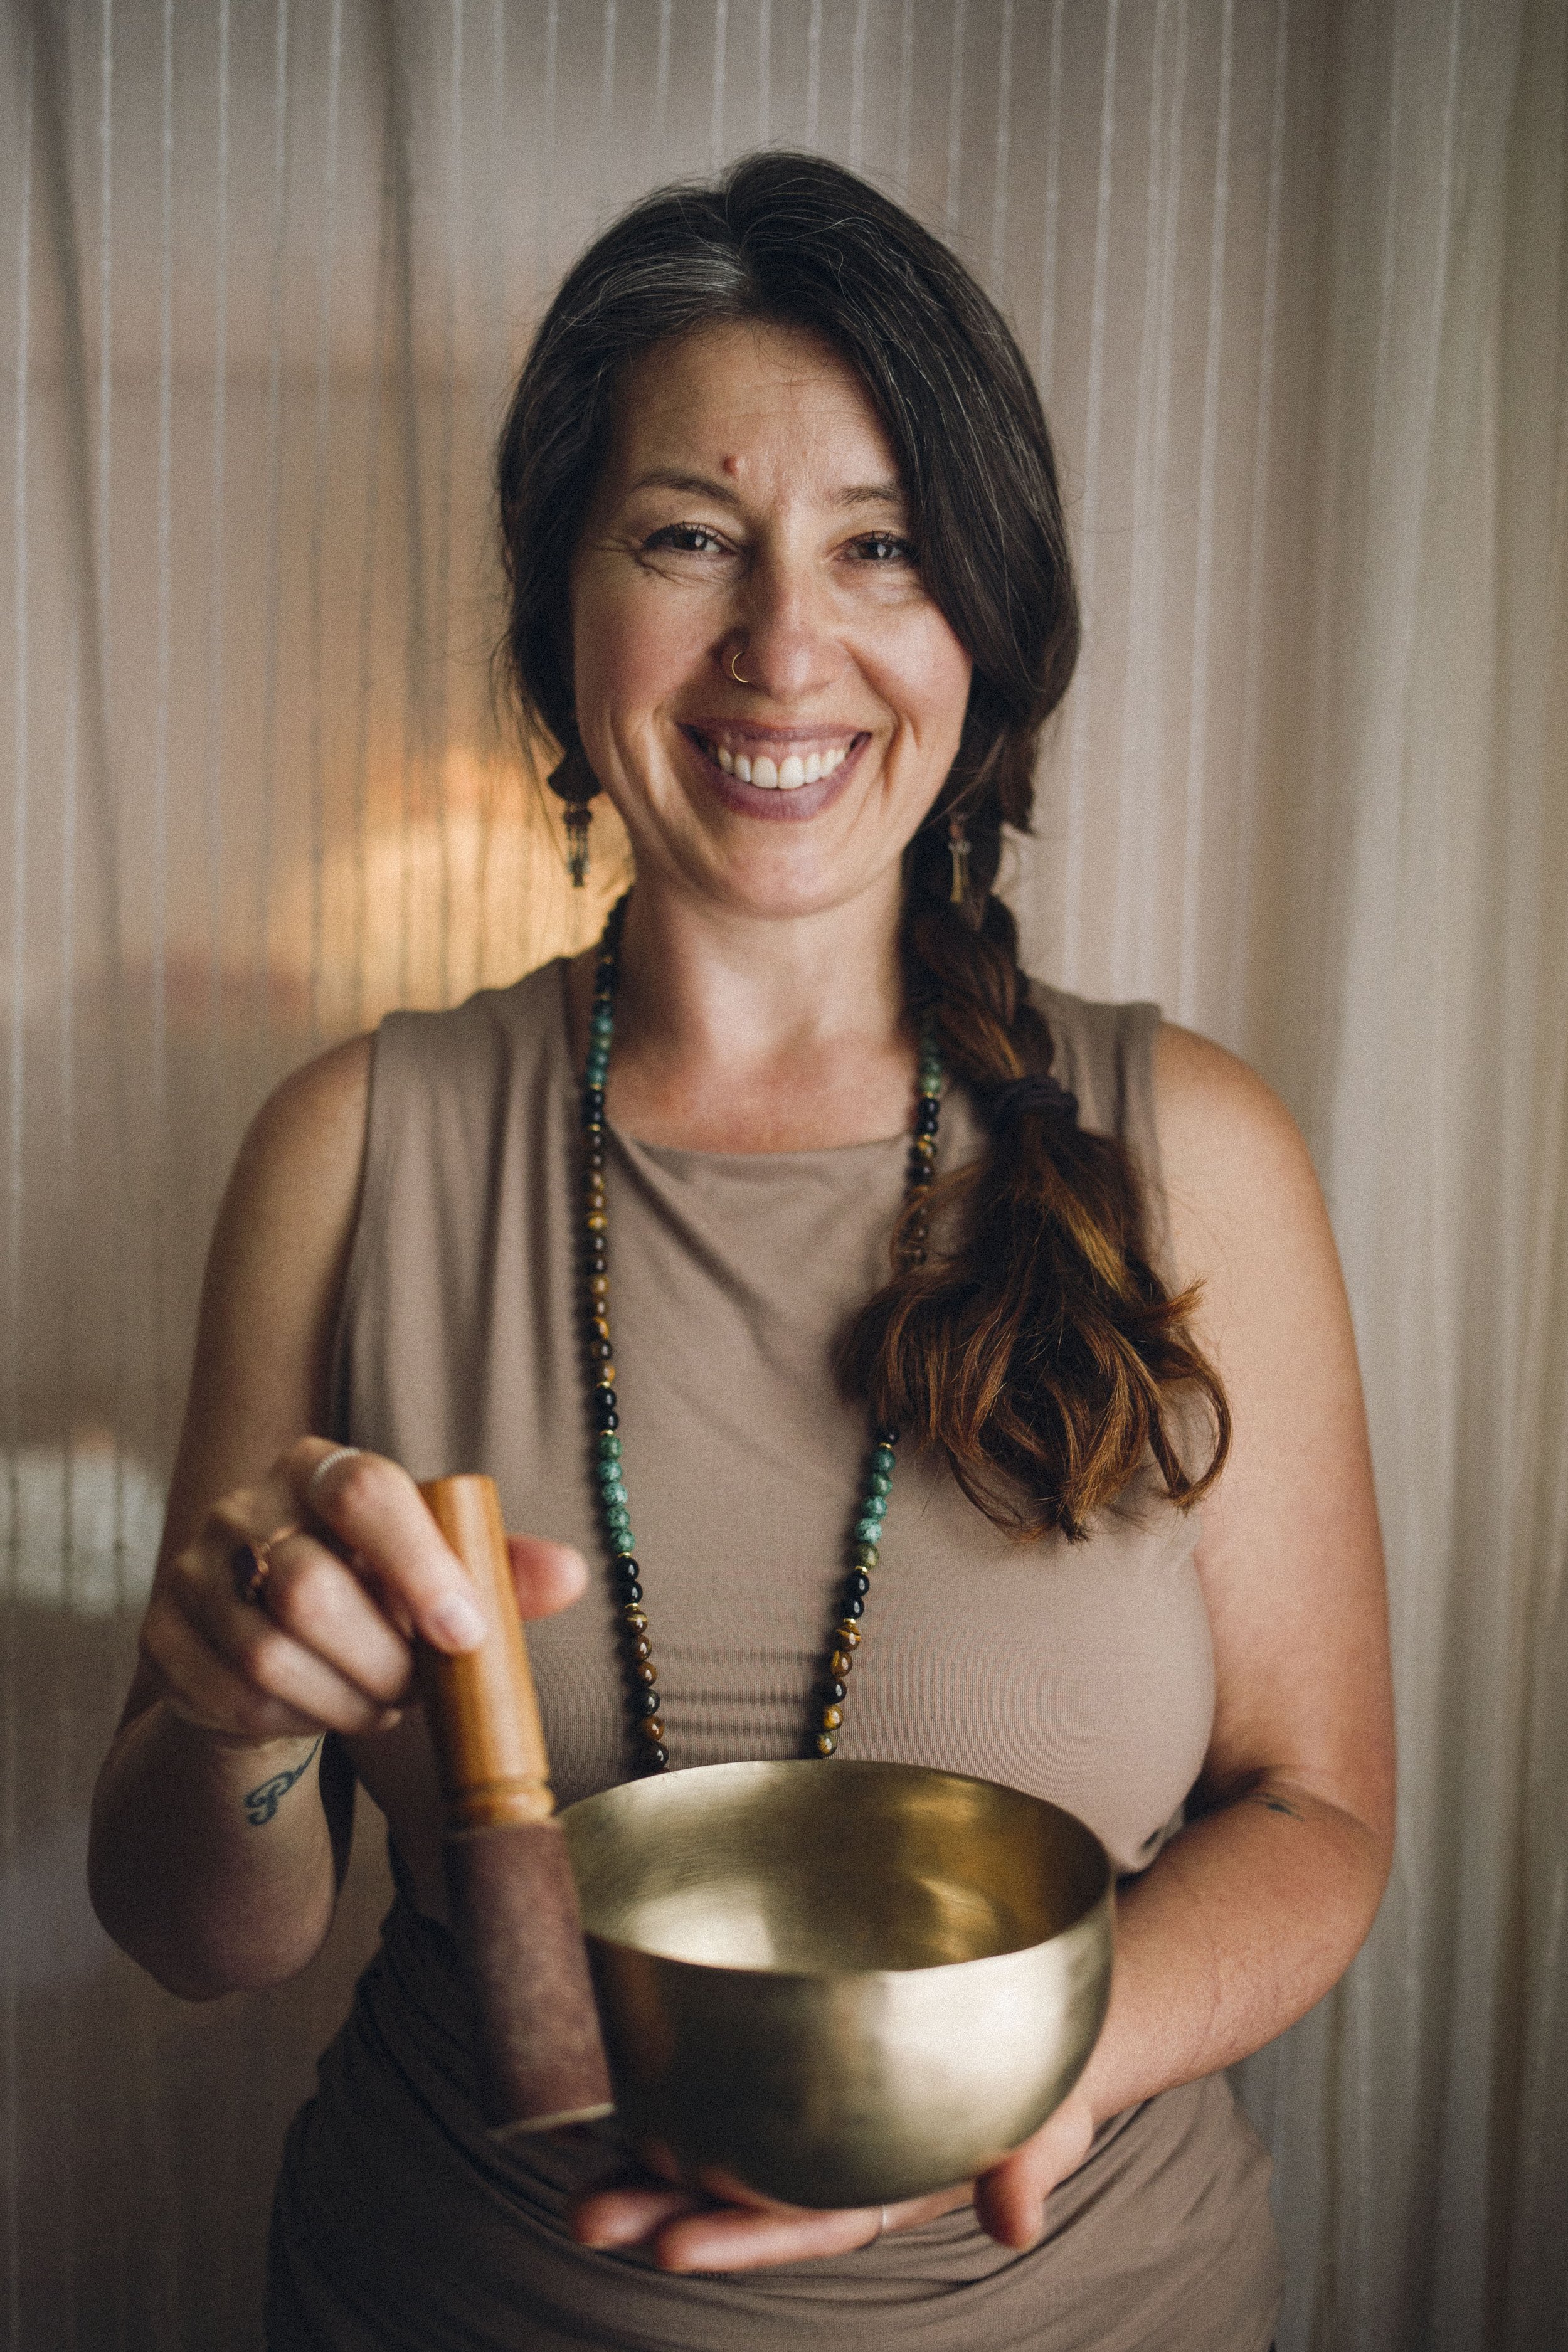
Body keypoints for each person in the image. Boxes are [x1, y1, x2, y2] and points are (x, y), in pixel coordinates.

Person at [88, 152, 1393, 2351]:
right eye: (687, 537)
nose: (782, 646)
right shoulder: (354, 1144)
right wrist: (237, 1715)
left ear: (978, 617)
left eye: (876, 545)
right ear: (558, 612)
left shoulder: (1202, 1153)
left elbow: (1320, 1812)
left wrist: (1028, 2072)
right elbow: (199, 1930)